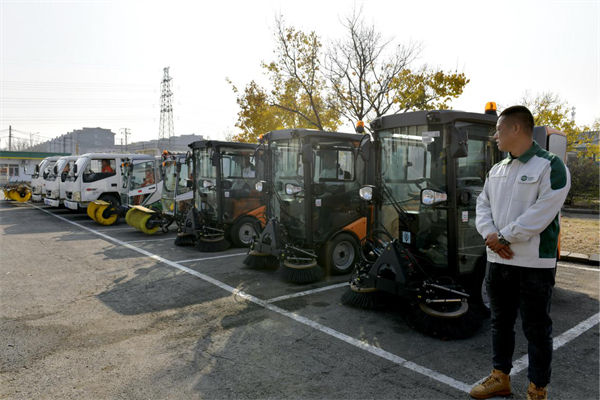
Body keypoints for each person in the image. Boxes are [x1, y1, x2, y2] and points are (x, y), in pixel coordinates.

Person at [471, 106, 570, 400]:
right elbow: (483, 205)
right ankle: (500, 377)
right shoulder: (497, 169)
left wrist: (503, 236)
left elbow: (542, 213)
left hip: (534, 264)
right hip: (497, 260)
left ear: (516, 129)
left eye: (499, 129)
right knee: (500, 323)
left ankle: (537, 389)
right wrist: (490, 235)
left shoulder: (551, 166)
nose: (495, 135)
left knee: (537, 329)